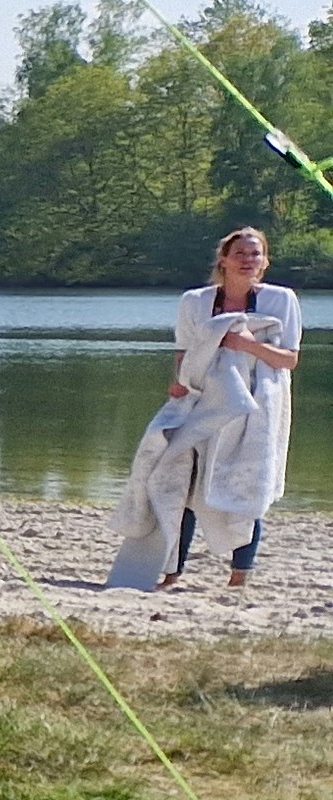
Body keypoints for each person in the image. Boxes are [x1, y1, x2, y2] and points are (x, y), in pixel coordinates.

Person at [160, 225, 299, 588]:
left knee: (248, 485)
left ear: (265, 262)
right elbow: (184, 352)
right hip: (202, 399)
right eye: (240, 253)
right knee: (185, 483)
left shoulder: (281, 300)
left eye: (255, 254)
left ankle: (239, 577)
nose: (247, 260)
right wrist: (178, 382)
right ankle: (172, 573)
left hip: (257, 407)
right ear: (223, 259)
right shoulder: (195, 301)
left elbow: (289, 359)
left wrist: (245, 345)